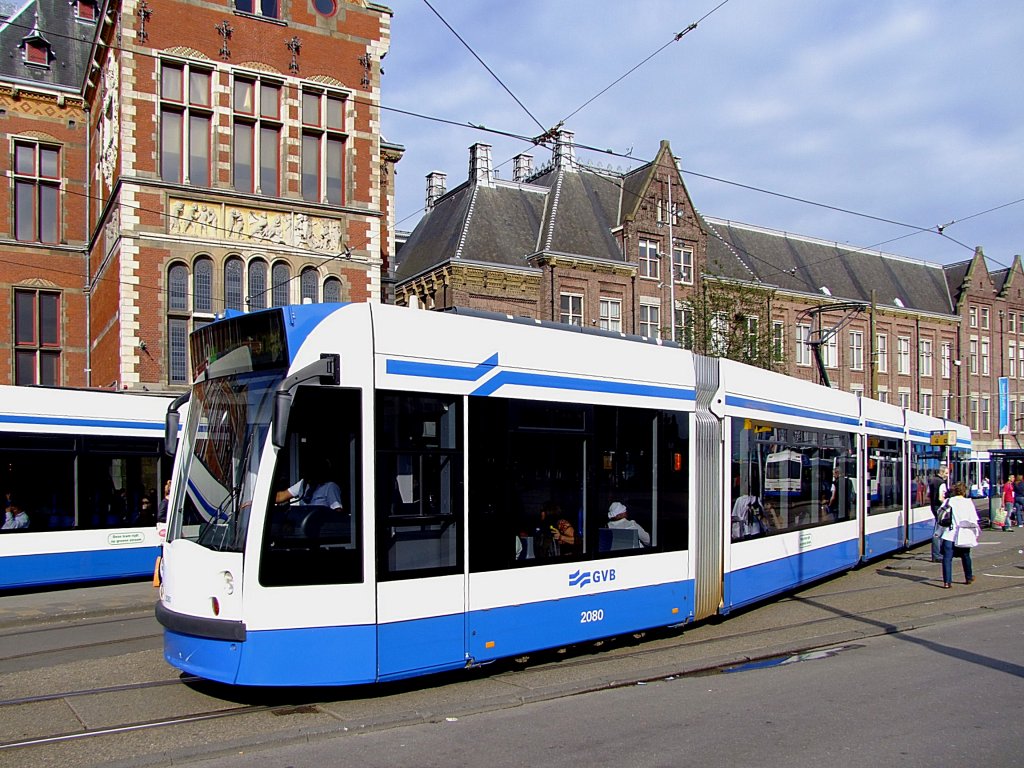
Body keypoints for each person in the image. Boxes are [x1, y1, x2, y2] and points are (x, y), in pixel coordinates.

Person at [938, 481, 980, 588]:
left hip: (949, 533)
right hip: (963, 534)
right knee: (966, 556)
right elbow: (974, 519)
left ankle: (947, 582)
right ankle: (968, 577)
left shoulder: (949, 501)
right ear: (964, 491)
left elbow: (940, 513)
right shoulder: (968, 502)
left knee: (947, 558)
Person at [275, 457, 343, 510]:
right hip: (304, 524)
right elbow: (281, 496)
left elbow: (337, 511)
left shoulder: (330, 487)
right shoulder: (303, 483)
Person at [928, 466, 949, 562]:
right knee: (938, 532)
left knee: (939, 530)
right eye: (946, 473)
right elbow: (941, 498)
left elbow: (928, 494)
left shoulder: (932, 481)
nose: (947, 475)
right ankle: (937, 555)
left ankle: (938, 553)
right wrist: (947, 505)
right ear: (942, 473)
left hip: (933, 507)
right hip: (939, 508)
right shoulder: (941, 483)